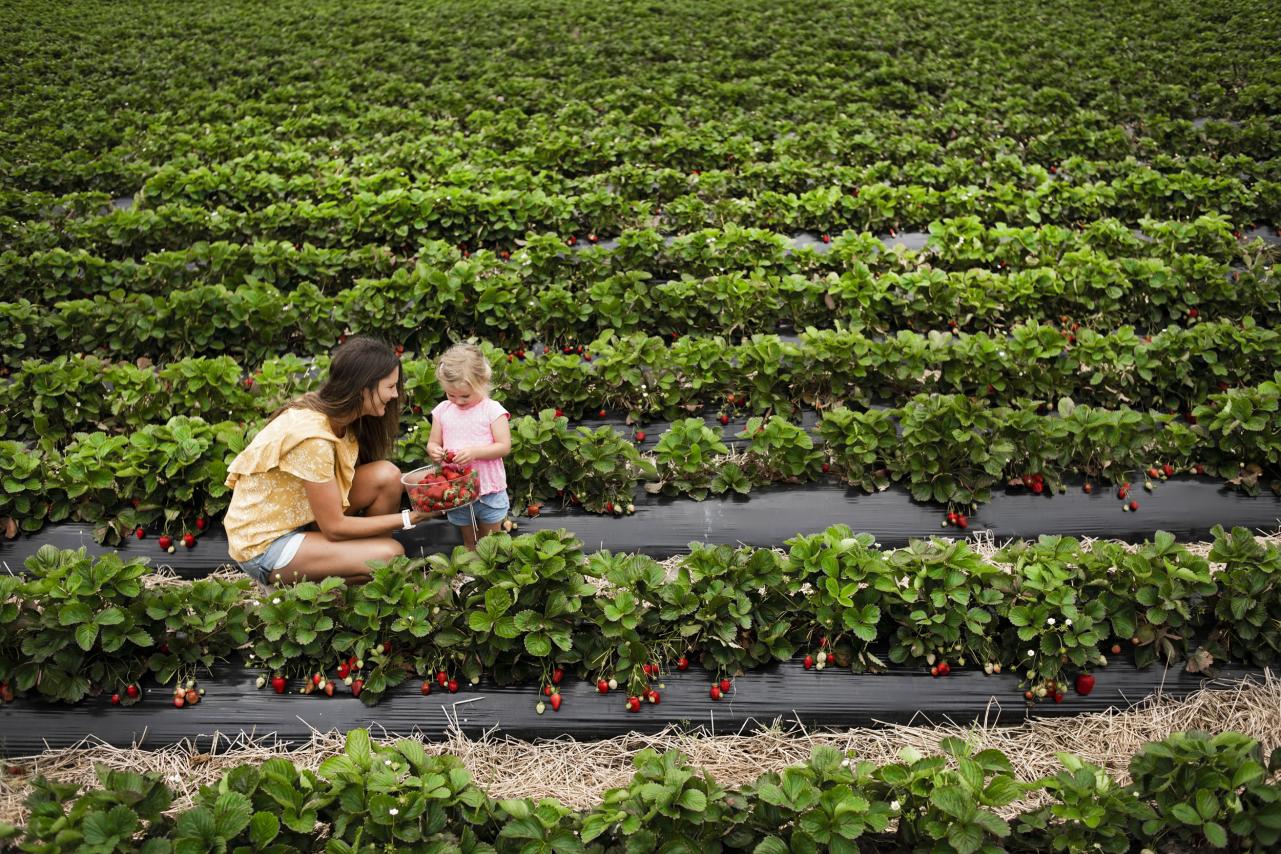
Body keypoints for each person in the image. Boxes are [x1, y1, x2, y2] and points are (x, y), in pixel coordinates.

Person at [223, 336, 429, 585]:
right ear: (364, 388)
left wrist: (422, 484)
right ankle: (334, 581)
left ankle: (368, 574)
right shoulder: (314, 439)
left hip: (300, 520)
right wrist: (411, 517)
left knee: (386, 475)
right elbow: (334, 527)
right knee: (389, 555)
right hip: (266, 544)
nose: (395, 394)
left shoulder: (336, 413)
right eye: (390, 386)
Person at [425, 342, 512, 548]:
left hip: (489, 489)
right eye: (450, 394)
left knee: (490, 541)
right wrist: (434, 451)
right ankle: (471, 570)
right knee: (468, 539)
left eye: (465, 395)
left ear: (482, 382)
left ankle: (489, 569)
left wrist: (475, 452)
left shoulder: (492, 410)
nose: (458, 401)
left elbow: (504, 446)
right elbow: (433, 442)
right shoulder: (443, 410)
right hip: (458, 490)